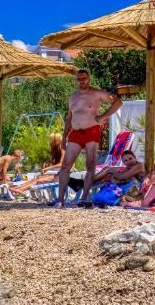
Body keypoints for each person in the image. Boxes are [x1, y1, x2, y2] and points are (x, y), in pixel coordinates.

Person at [58, 69, 122, 206]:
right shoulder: (73, 97)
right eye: (79, 79)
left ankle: (84, 198)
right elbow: (69, 118)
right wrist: (64, 137)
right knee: (65, 166)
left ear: (89, 78)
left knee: (90, 165)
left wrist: (102, 117)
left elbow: (117, 103)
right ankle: (60, 200)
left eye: (84, 78)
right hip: (75, 132)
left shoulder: (97, 93)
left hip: (91, 131)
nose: (82, 81)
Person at [67, 149, 145, 194]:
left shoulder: (139, 166)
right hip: (131, 183)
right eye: (125, 161)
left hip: (137, 188)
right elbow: (121, 174)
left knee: (108, 174)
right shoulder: (129, 167)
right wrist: (110, 170)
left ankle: (82, 184)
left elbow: (123, 176)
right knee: (107, 171)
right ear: (123, 162)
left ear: (135, 157)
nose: (129, 161)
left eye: (130, 158)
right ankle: (82, 184)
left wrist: (112, 172)